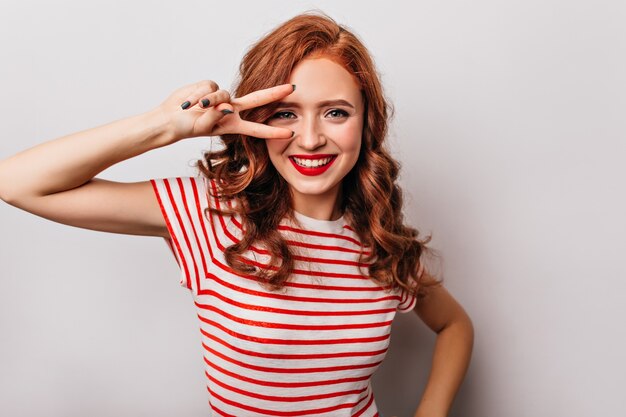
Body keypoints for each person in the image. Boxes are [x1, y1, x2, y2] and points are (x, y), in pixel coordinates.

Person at [0, 11, 473, 417]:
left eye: (335, 113)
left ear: (367, 122)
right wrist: (167, 124)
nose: (309, 139)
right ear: (258, 119)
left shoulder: (379, 241)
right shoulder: (210, 214)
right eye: (285, 114)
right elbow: (16, 183)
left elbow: (455, 326)